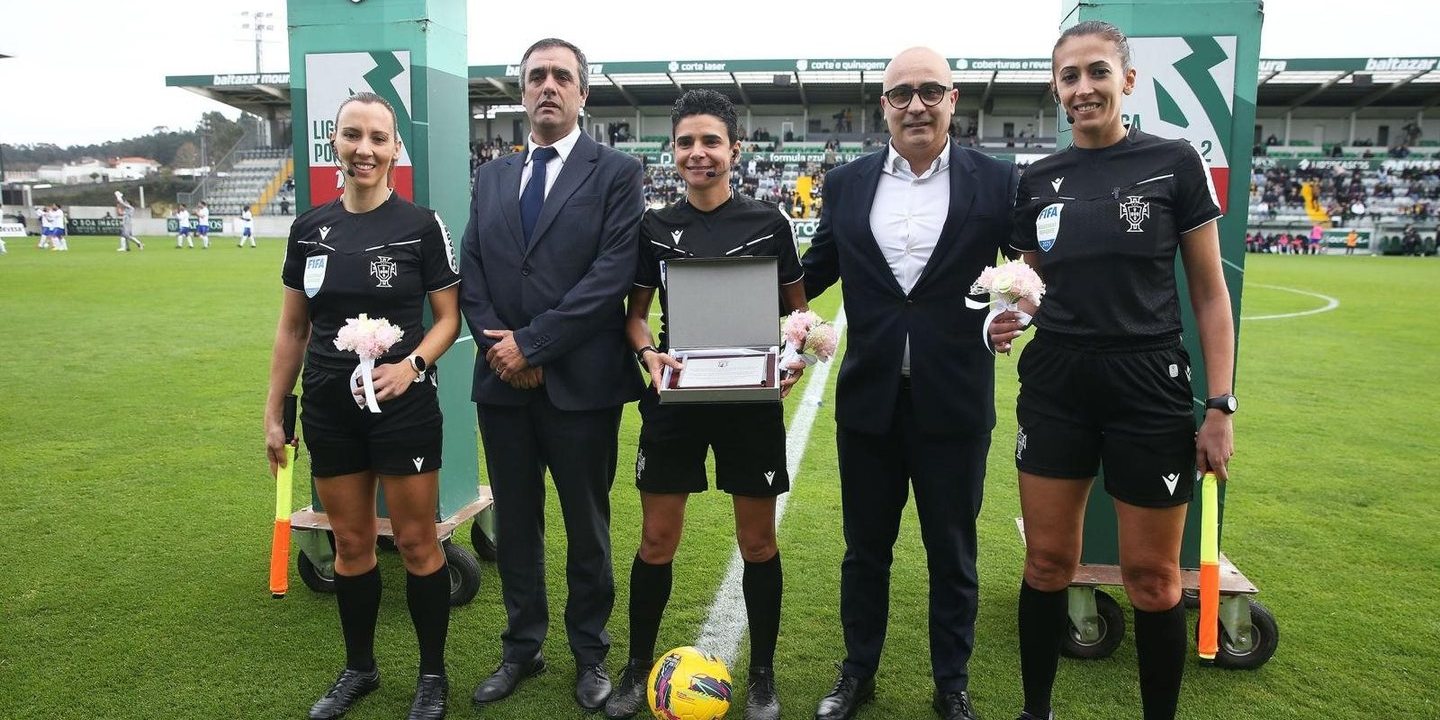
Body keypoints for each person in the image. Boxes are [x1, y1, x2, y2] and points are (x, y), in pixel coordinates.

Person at [991, 21, 1236, 720]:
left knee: (1154, 579)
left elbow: (1209, 294)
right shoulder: (1035, 181)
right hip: (1056, 384)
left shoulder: (1174, 163)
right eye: (1069, 77)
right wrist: (1000, 318)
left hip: (1147, 385)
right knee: (1045, 565)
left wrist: (1220, 405)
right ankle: (1035, 712)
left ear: (1127, 80)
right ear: (1057, 92)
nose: (1084, 87)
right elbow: (1023, 289)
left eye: (1097, 72)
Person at [801, 46, 1018, 720]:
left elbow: (1030, 275)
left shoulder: (999, 180)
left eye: (930, 91)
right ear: (883, 106)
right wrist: (734, 303)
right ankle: (857, 673)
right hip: (869, 402)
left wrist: (1003, 323)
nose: (916, 104)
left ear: (954, 100)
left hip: (954, 401)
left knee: (952, 553)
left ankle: (951, 683)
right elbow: (809, 276)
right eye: (902, 93)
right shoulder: (846, 184)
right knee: (865, 552)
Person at [602, 89, 807, 720]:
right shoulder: (653, 227)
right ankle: (638, 669)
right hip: (677, 397)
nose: (698, 153)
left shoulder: (769, 223)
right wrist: (649, 356)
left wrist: (792, 358)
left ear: (734, 150)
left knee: (758, 543)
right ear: (674, 151)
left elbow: (797, 312)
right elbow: (636, 318)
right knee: (657, 539)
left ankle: (764, 677)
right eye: (686, 142)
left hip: (749, 403)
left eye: (710, 141)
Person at [457, 37, 645, 713]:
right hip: (501, 387)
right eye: (536, 76)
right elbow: (472, 273)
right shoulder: (492, 177)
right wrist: (501, 349)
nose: (547, 86)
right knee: (518, 527)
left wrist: (531, 346)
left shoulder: (617, 172)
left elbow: (611, 278)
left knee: (587, 526)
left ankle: (590, 654)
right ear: (521, 90)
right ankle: (521, 649)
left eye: (561, 76)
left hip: (582, 386)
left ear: (582, 94)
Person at [265, 91, 462, 720]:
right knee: (351, 543)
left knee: (415, 542)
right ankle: (360, 669)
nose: (364, 149)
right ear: (335, 145)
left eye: (378, 138)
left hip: (403, 404)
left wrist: (412, 366)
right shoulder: (309, 229)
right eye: (352, 136)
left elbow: (448, 320)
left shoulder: (423, 225)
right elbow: (293, 328)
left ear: (396, 148)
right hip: (328, 403)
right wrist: (275, 411)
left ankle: (432, 677)